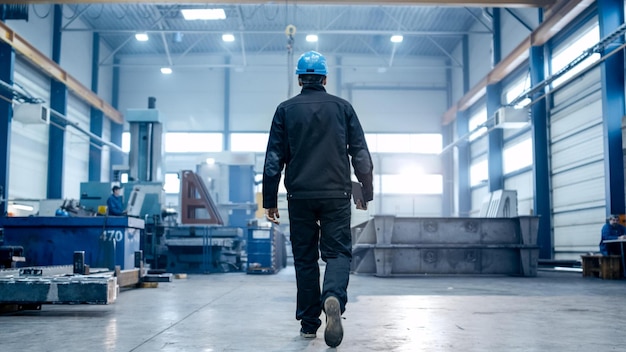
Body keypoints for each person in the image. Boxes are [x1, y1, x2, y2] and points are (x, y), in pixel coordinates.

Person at [262, 50, 373, 348]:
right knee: (337, 253)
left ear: (299, 79)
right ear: (324, 78)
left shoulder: (285, 110)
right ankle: (333, 296)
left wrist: (269, 200)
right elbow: (360, 153)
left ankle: (309, 324)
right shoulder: (342, 108)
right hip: (337, 193)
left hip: (299, 195)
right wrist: (366, 189)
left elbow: (274, 157)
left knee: (305, 257)